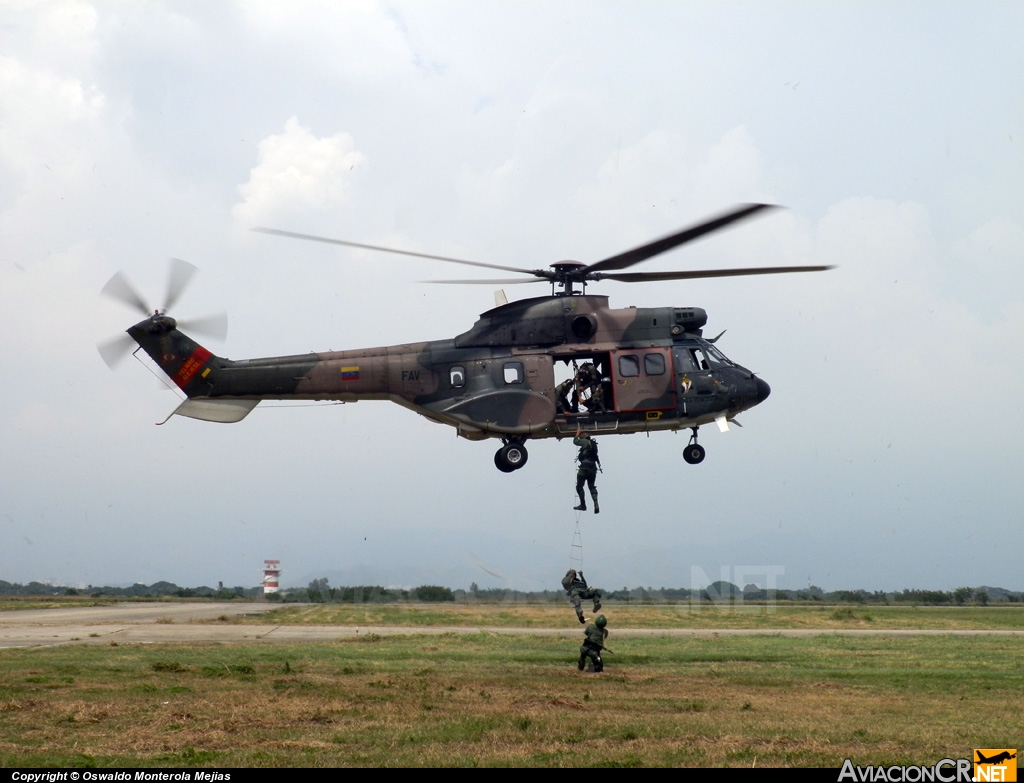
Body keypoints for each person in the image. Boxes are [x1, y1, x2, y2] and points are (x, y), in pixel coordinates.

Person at [573, 426, 600, 513]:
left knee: (579, 486)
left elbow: (575, 441)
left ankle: (583, 504)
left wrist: (577, 433)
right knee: (591, 486)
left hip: (584, 467)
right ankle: (596, 503)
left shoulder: (585, 442)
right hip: (593, 468)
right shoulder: (593, 445)